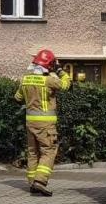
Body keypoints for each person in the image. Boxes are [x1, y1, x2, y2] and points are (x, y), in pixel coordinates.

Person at [15, 49, 71, 196]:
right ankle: (40, 181)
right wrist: (60, 70)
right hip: (46, 125)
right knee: (49, 151)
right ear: (49, 65)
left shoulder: (25, 79)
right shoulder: (49, 80)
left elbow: (17, 98)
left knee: (33, 153)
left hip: (30, 123)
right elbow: (66, 84)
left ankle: (32, 183)